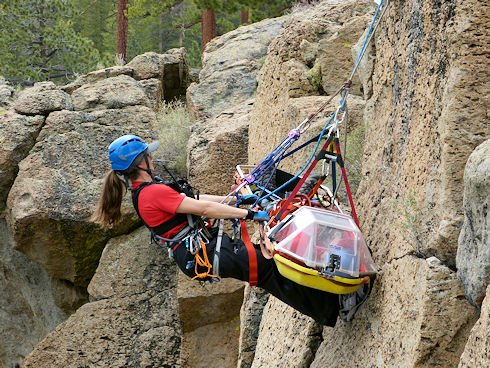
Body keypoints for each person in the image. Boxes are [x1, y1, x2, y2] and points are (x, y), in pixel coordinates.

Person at [92, 134, 340, 326]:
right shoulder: (151, 193)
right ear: (140, 163)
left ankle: (330, 304)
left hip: (200, 252)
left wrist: (239, 200)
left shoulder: (147, 191)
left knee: (266, 265)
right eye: (149, 156)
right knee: (266, 268)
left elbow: (199, 199)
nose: (153, 159)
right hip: (203, 253)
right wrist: (249, 213)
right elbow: (204, 209)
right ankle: (334, 308)